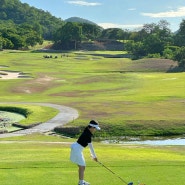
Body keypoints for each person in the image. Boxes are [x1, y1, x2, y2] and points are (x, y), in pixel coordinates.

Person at [70, 120, 101, 185]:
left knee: (81, 166)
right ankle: (81, 183)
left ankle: (81, 181)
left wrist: (93, 156)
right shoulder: (88, 135)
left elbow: (90, 147)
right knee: (82, 166)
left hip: (76, 148)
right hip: (77, 149)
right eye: (95, 128)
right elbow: (91, 147)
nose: (95, 130)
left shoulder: (87, 131)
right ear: (92, 127)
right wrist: (94, 157)